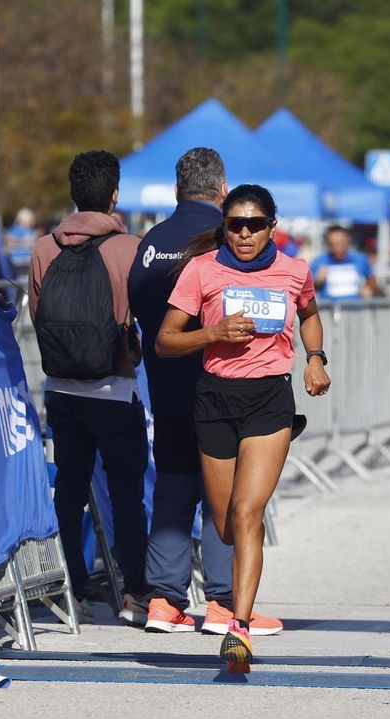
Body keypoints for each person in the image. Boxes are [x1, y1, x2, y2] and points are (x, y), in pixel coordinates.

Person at [156, 184, 330, 673]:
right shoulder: (202, 270)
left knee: (249, 511)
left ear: (273, 226)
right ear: (225, 227)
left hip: (270, 401)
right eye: (236, 224)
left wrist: (314, 359)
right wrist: (212, 333)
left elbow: (310, 315)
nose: (246, 233)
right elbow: (165, 341)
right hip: (215, 398)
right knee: (226, 523)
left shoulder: (294, 271)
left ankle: (239, 627)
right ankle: (235, 604)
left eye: (255, 224)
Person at [125, 147, 272, 636]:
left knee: (171, 486)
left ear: (176, 190)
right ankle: (223, 603)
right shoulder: (222, 242)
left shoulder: (149, 243)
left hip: (164, 383)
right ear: (223, 191)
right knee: (225, 496)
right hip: (220, 385)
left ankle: (164, 600)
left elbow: (143, 315)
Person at [28, 150, 152, 609]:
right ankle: (136, 591)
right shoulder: (130, 248)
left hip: (62, 389)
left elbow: (37, 313)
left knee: (70, 491)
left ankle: (73, 588)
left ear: (72, 193)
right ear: (114, 195)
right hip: (115, 390)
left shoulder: (45, 247)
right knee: (126, 494)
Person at [309, 224, 379, 304]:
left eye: (340, 243)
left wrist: (369, 290)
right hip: (329, 312)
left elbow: (373, 282)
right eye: (332, 244)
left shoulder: (360, 259)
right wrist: (318, 281)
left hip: (356, 311)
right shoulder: (319, 262)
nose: (336, 247)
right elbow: (307, 292)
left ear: (347, 240)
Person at [6, 208, 38, 273]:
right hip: (18, 261)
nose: (31, 222)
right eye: (29, 220)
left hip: (26, 261)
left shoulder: (29, 231)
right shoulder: (16, 230)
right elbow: (8, 242)